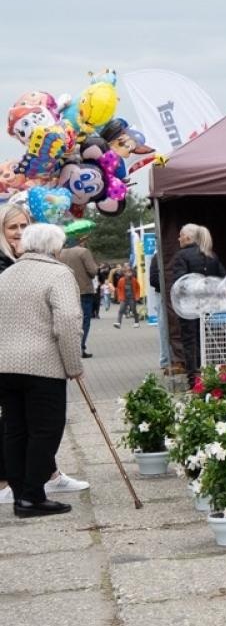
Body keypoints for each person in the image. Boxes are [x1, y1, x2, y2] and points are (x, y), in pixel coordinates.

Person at [0, 205, 90, 505]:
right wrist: (73, 365)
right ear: (55, 246)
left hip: (6, 366)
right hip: (43, 366)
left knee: (15, 429)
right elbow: (67, 322)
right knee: (46, 430)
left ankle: (19, 495)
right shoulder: (58, 273)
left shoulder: (7, 274)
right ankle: (33, 495)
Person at [169, 223, 224, 379]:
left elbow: (180, 283)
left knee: (190, 342)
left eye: (180, 235)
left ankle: (195, 379)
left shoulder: (181, 256)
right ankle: (211, 374)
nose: (178, 238)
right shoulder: (211, 255)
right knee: (207, 340)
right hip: (209, 306)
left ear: (187, 237)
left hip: (190, 309)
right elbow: (222, 279)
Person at [57, 235, 99, 359]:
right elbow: (92, 271)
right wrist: (96, 267)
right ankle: (80, 347)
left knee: (70, 321)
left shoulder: (59, 253)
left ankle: (69, 349)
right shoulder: (83, 252)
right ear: (80, 240)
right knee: (84, 320)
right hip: (83, 290)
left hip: (66, 290)